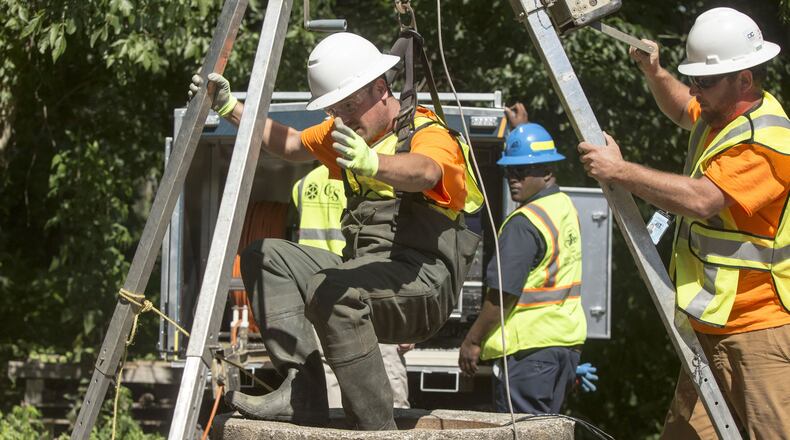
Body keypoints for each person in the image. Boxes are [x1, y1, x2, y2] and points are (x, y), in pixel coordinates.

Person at [190, 32, 482, 430]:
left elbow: (426, 171)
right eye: (334, 109)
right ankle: (303, 394)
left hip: (423, 284)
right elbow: (291, 143)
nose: (342, 118)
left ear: (381, 89)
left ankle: (377, 429)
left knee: (337, 291)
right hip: (368, 272)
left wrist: (373, 163)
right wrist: (228, 108)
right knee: (265, 256)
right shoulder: (348, 132)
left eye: (350, 105)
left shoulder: (428, 133)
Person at [577, 7, 789, 438]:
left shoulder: (767, 140)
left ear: (744, 80)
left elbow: (702, 199)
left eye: (705, 82)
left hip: (758, 329)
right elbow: (682, 109)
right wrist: (655, 72)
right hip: (710, 327)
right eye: (693, 78)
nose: (696, 90)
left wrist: (619, 171)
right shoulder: (721, 117)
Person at [458, 103, 587, 415]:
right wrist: (520, 130)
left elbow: (502, 295)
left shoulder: (523, 223)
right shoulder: (563, 206)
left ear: (547, 171)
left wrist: (473, 341)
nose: (512, 179)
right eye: (508, 171)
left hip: (529, 354)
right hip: (563, 349)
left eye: (520, 171)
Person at [290, 164, 411, 410]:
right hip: (359, 286)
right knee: (382, 358)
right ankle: (393, 426)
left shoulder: (302, 184)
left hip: (316, 288)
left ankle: (335, 430)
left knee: (330, 365)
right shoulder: (361, 181)